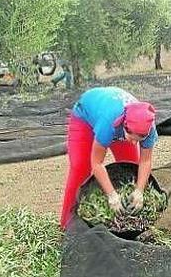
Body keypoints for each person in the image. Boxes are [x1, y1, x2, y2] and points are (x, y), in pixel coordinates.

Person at [60, 86, 158, 229]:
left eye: (139, 139)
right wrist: (111, 195)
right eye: (131, 137)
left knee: (131, 168)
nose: (134, 143)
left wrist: (139, 191)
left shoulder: (149, 127)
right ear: (124, 126)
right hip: (85, 117)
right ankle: (67, 224)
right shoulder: (108, 124)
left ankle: (128, 219)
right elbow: (97, 163)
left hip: (115, 118)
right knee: (80, 167)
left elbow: (146, 160)